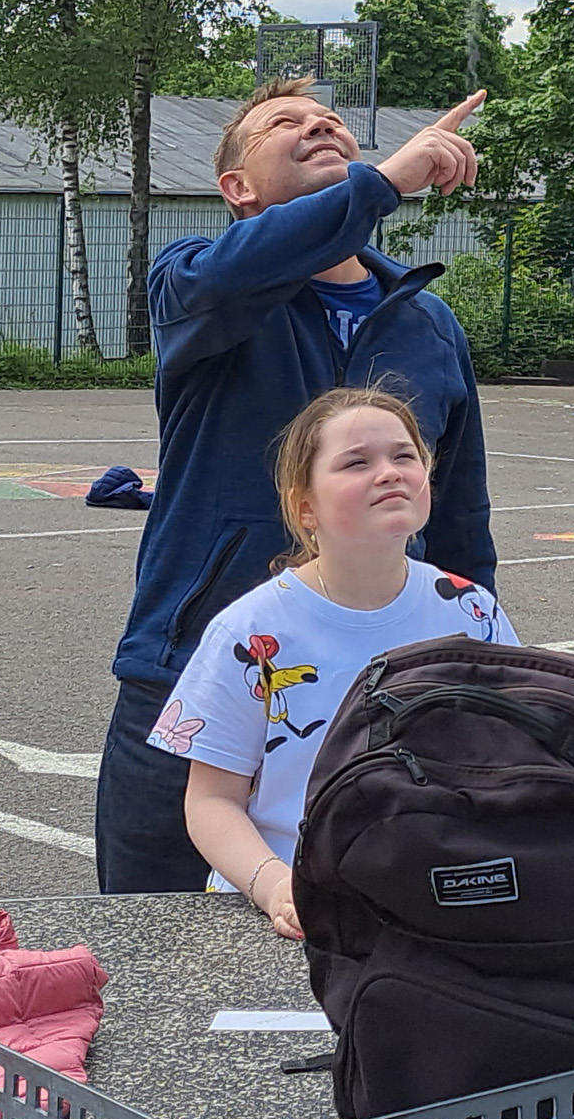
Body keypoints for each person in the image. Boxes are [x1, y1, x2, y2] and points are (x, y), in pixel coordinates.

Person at [98, 78, 495, 896]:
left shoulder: (427, 322)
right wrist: (381, 184)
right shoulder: (196, 283)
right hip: (187, 663)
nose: (319, 125)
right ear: (237, 189)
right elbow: (237, 272)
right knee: (149, 926)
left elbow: (458, 509)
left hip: (378, 686)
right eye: (285, 124)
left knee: (365, 921)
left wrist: (474, 666)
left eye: (332, 123)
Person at [156, 384, 515, 937]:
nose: (390, 471)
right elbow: (209, 800)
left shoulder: (472, 611)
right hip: (292, 908)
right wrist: (274, 885)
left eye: (404, 455)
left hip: (433, 902)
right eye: (356, 462)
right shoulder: (250, 632)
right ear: (305, 507)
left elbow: (511, 761)